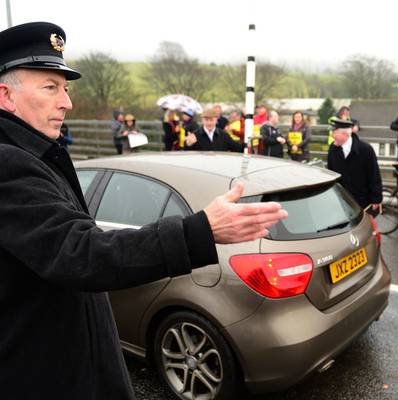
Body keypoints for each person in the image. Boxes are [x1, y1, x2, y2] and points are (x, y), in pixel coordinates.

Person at [0, 22, 287, 400]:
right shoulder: (9, 164)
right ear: (5, 95)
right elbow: (80, 252)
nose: (66, 102)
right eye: (50, 87)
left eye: (65, 89)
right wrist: (200, 230)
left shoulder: (34, 154)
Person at [327, 117, 382, 213]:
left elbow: (374, 175)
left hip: (363, 201)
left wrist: (376, 198)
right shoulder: (332, 148)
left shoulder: (365, 149)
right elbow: (331, 173)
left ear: (344, 134)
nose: (332, 135)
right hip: (342, 200)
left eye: (334, 132)